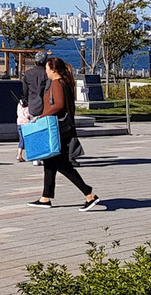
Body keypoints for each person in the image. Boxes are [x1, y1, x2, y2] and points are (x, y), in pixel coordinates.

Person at [28, 56, 100, 211]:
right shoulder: (62, 83)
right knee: (49, 163)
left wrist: (42, 117)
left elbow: (59, 105)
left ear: (53, 70)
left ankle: (89, 194)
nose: (45, 71)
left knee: (62, 165)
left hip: (59, 130)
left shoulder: (57, 84)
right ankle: (45, 197)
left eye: (47, 68)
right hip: (60, 129)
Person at [22, 50, 50, 166]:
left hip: (32, 104)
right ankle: (44, 154)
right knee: (45, 130)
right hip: (45, 105)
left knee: (34, 130)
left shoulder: (28, 74)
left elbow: (24, 91)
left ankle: (35, 156)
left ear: (35, 61)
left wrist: (25, 101)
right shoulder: (47, 74)